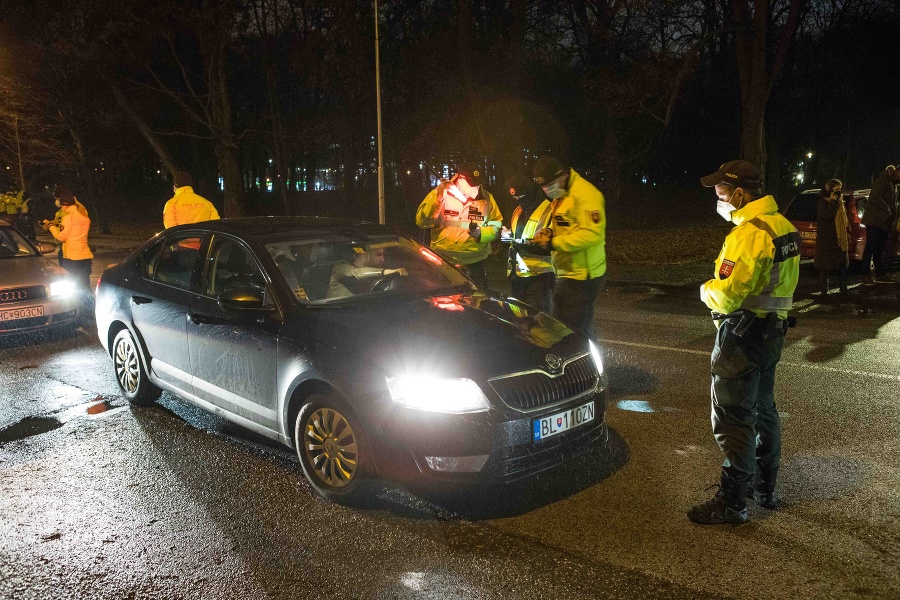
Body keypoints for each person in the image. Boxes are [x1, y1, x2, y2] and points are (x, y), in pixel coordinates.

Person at [688, 160, 800, 525]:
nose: (717, 198)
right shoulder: (782, 225)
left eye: (719, 191)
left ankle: (733, 502)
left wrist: (705, 290)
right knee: (764, 409)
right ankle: (765, 488)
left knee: (733, 416)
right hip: (772, 334)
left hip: (742, 335)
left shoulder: (749, 234)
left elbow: (728, 294)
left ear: (738, 193)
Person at [528, 156, 607, 340]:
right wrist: (549, 232)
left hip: (583, 276)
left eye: (550, 184)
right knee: (569, 327)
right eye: (543, 187)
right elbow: (566, 225)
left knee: (572, 333)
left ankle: (584, 365)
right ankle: (584, 362)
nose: (547, 190)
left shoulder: (585, 195)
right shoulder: (562, 194)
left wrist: (553, 243)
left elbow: (592, 234)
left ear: (562, 175)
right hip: (567, 272)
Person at [415, 162, 503, 289]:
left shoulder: (487, 199)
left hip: (475, 264)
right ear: (459, 178)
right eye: (471, 184)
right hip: (443, 261)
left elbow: (496, 227)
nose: (475, 188)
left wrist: (481, 234)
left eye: (477, 184)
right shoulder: (441, 194)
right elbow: (422, 222)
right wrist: (438, 198)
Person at [501, 174, 554, 312]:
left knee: (536, 323)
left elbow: (554, 244)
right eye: (515, 198)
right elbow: (514, 238)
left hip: (538, 279)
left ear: (530, 192)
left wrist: (529, 245)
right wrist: (507, 237)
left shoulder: (550, 210)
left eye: (521, 197)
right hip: (516, 277)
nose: (518, 201)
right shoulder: (518, 211)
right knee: (518, 323)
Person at [46, 188, 94, 312]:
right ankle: (89, 311)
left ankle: (75, 311)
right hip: (85, 256)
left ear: (64, 205)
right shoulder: (85, 218)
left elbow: (61, 236)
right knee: (84, 285)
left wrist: (51, 227)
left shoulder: (68, 218)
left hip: (72, 258)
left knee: (72, 287)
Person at [860, 165, 899, 285]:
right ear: (897, 172)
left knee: (879, 248)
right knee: (871, 248)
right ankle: (865, 275)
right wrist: (887, 209)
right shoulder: (884, 179)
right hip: (875, 220)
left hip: (882, 221)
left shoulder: (892, 182)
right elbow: (874, 197)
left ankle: (880, 274)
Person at [327, 245, 406, 298]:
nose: (383, 259)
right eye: (379, 254)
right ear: (366, 254)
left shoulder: (370, 277)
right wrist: (386, 272)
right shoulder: (340, 267)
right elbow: (357, 272)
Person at [814, 179, 849, 297]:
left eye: (840, 190)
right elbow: (827, 216)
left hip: (839, 238)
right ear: (829, 190)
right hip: (827, 238)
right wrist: (833, 202)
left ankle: (843, 286)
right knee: (825, 266)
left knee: (842, 264)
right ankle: (824, 289)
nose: (839, 193)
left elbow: (844, 219)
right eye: (836, 190)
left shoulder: (840, 201)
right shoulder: (823, 201)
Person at [43, 185, 88, 266]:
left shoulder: (77, 209)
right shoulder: (65, 209)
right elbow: (62, 224)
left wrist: (50, 226)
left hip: (75, 251)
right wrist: (52, 224)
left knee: (76, 276)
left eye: (57, 199)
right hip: (65, 249)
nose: (56, 201)